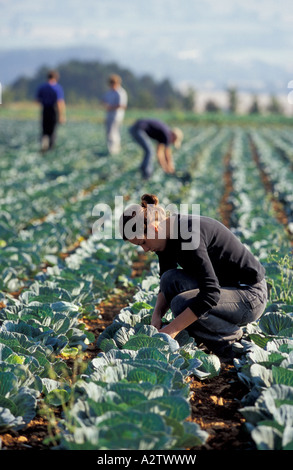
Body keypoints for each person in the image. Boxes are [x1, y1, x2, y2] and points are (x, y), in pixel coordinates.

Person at [119, 193, 268, 362]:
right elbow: (166, 280)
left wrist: (171, 330)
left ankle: (231, 340)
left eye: (143, 243)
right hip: (226, 287)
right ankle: (207, 332)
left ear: (153, 229)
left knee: (181, 303)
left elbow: (210, 294)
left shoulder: (188, 235)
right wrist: (157, 316)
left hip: (250, 296)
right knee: (169, 279)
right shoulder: (165, 235)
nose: (145, 250)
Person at [36, 70, 66, 152]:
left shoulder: (42, 87)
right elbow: (60, 102)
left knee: (44, 129)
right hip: (53, 110)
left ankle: (43, 145)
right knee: (52, 131)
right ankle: (50, 149)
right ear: (56, 78)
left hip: (45, 110)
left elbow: (37, 100)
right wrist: (61, 116)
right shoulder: (57, 88)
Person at [103, 74, 128, 155]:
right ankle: (111, 148)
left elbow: (122, 105)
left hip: (117, 115)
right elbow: (105, 101)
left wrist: (111, 107)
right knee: (109, 132)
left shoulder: (121, 92)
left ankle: (114, 150)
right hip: (109, 114)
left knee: (113, 132)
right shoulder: (109, 92)